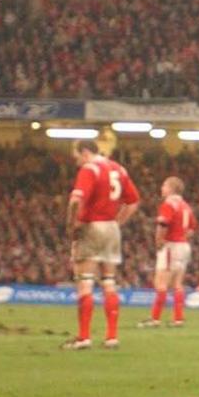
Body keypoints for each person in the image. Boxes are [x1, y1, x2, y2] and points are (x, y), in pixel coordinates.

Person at [64, 140, 139, 351]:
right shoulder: (118, 168)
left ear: (85, 152)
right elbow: (133, 202)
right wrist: (117, 222)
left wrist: (71, 224)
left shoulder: (90, 169)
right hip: (111, 228)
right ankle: (111, 337)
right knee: (109, 281)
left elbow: (75, 201)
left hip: (92, 226)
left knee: (85, 281)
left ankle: (84, 338)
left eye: (77, 155)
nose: (76, 160)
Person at [144, 176, 196, 329]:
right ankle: (178, 318)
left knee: (161, 282)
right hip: (184, 246)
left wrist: (159, 240)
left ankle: (155, 319)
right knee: (178, 283)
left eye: (164, 186)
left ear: (171, 188)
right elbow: (192, 228)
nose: (162, 189)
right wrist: (182, 237)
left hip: (170, 246)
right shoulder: (186, 206)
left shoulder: (169, 204)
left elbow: (163, 224)